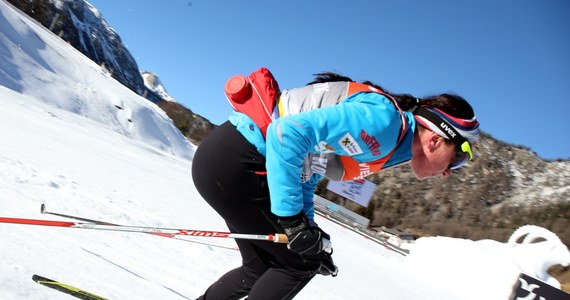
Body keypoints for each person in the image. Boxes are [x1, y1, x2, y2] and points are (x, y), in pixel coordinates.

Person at [191, 70, 480, 299]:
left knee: (262, 269)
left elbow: (310, 168)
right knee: (298, 265)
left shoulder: (394, 141)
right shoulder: (384, 124)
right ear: (436, 138)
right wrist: (292, 220)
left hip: (227, 159)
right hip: (238, 161)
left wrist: (308, 231)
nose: (448, 173)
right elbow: (286, 133)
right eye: (458, 160)